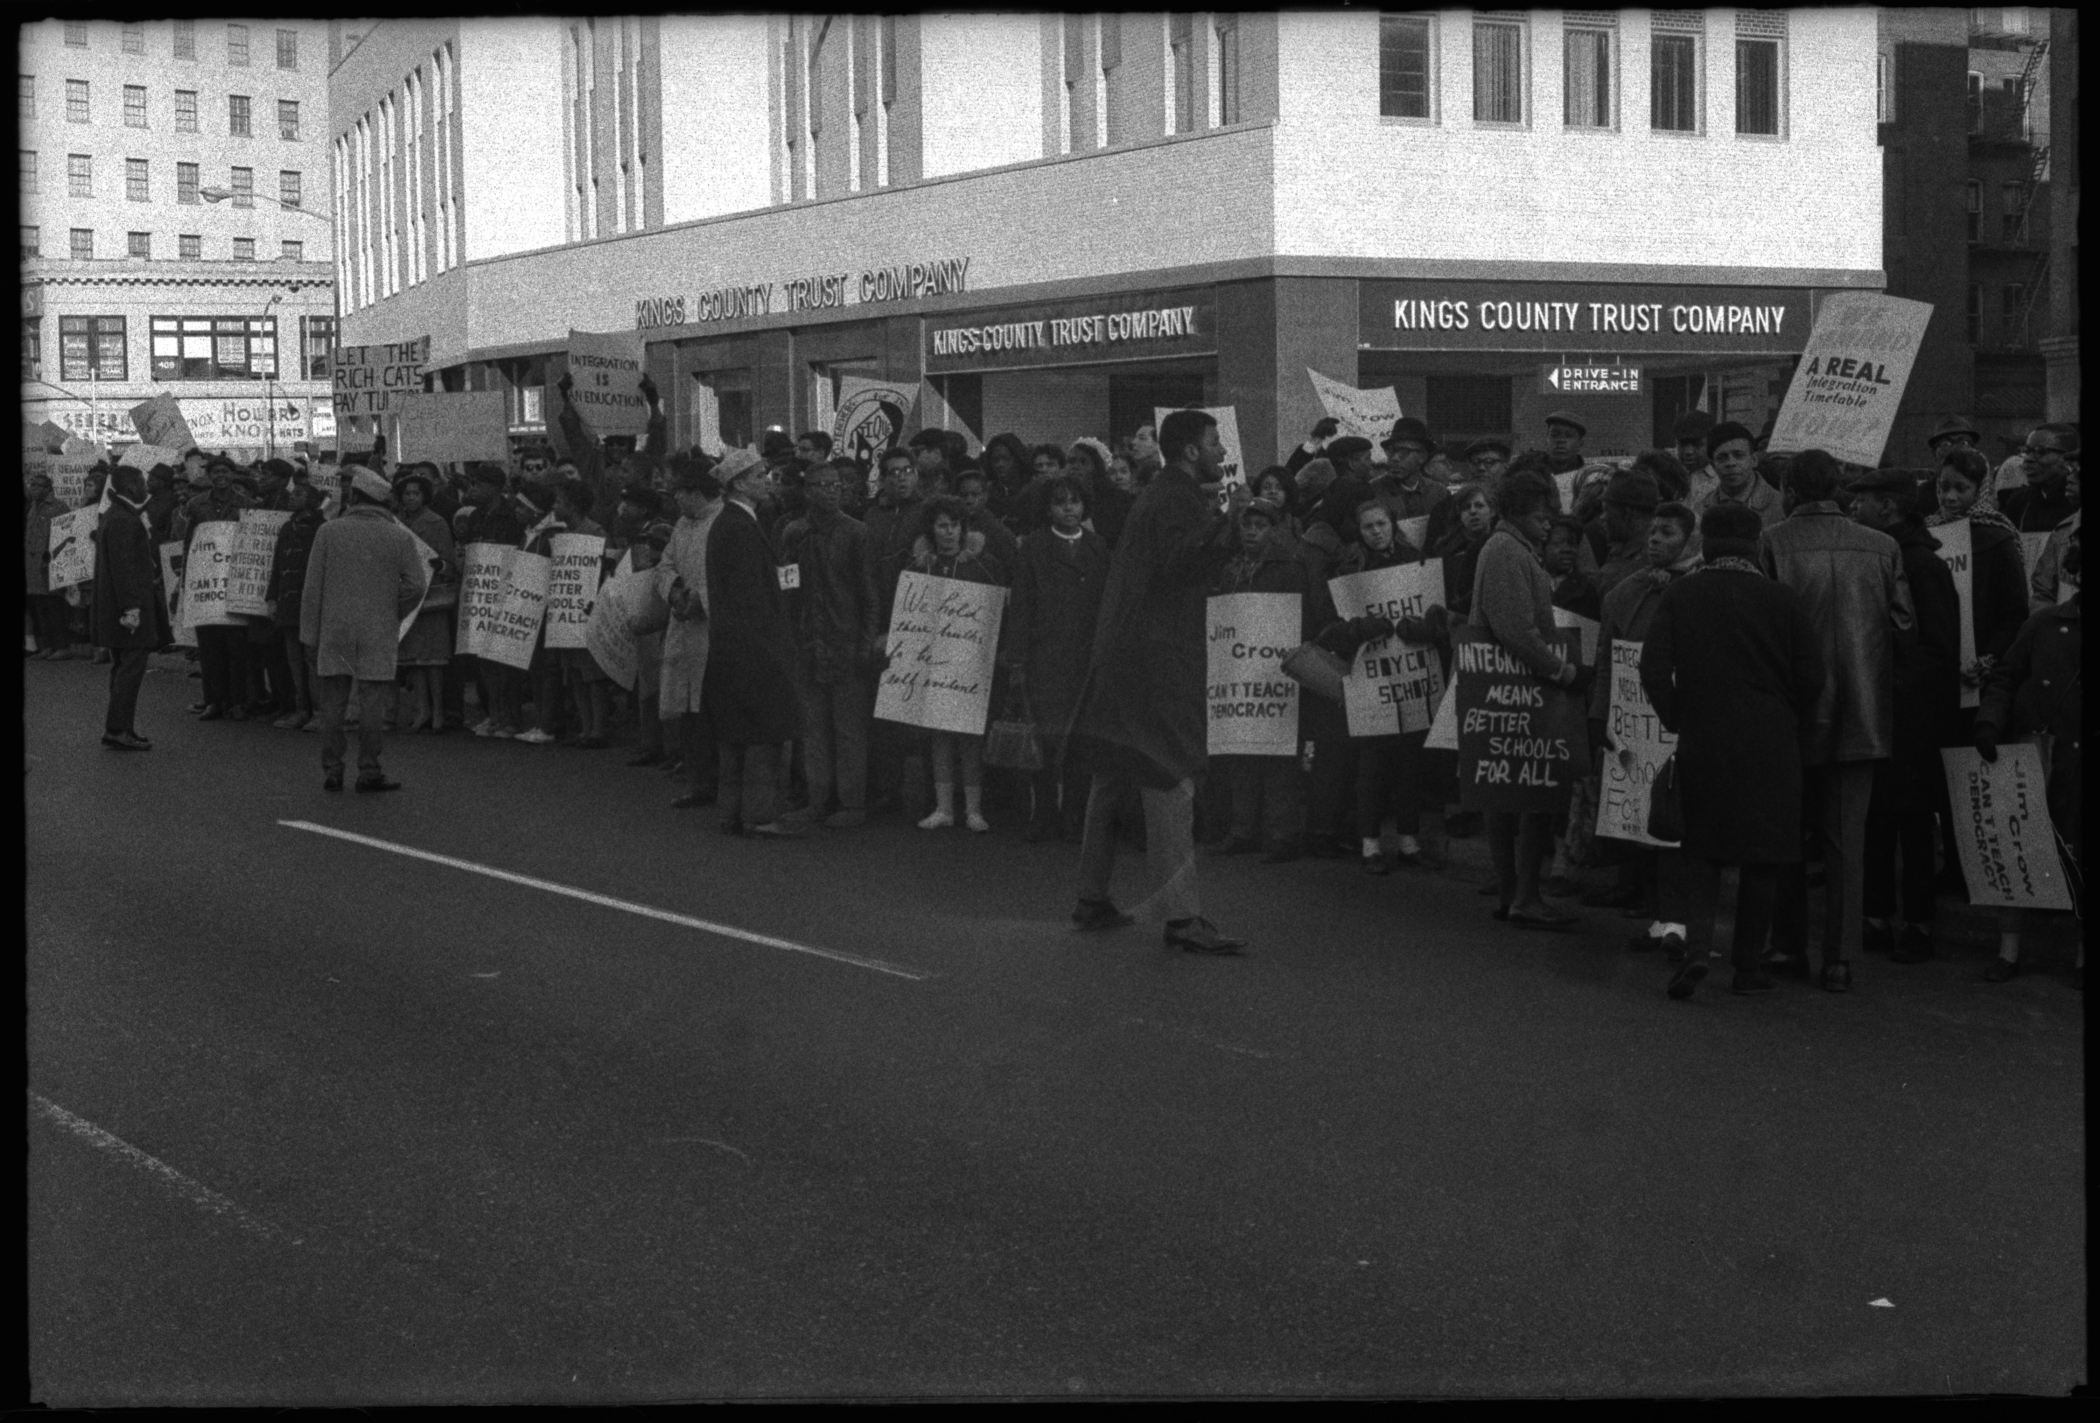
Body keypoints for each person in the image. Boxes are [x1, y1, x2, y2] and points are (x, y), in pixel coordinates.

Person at [1070, 408, 1250, 954]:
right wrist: (1230, 523)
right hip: (1154, 658)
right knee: (1170, 776)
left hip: (1122, 653)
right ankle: (1183, 917)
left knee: (1112, 776)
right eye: (1215, 443)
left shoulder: (1158, 493)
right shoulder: (1178, 497)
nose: (1223, 453)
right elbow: (1180, 564)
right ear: (1192, 451)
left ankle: (1092, 896)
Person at [1639, 504, 1825, 998]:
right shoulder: (1781, 599)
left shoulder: (1683, 594)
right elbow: (1813, 676)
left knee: (1702, 849)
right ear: (1755, 542)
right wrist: (1789, 716)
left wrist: (1679, 715)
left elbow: (1653, 668)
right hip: (1771, 741)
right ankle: (1747, 967)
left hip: (1704, 736)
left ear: (1708, 542)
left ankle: (1698, 949)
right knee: (1762, 856)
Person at [1759, 448, 1916, 993]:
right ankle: (1840, 959)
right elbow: (1902, 625)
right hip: (1864, 711)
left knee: (1786, 836)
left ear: (1790, 491)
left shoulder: (1774, 541)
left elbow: (1765, 630)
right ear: (1841, 490)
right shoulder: (1883, 546)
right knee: (1847, 842)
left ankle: (1787, 946)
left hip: (1792, 714)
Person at [1846, 467, 1963, 965]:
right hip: (1881, 709)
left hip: (1911, 718)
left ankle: (1917, 923)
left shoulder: (1920, 565)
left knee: (1913, 824)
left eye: (1862, 501)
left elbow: (1938, 648)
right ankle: (1875, 917)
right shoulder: (1881, 555)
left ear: (1889, 507)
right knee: (1874, 818)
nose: (1853, 509)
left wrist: (1891, 684)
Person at [1468, 468, 1585, 930]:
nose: (1548, 524)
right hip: (1523, 687)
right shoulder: (1508, 552)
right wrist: (1561, 668)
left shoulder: (1507, 548)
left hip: (1504, 687)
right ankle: (1525, 896)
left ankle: (1510, 891)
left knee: (1503, 792)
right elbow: (1516, 629)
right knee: (1533, 792)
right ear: (1519, 514)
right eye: (1540, 515)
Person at [1588, 501, 1702, 943]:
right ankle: (1661, 918)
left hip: (1682, 722)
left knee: (1678, 822)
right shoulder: (1625, 592)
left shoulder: (1704, 587)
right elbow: (1605, 659)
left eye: (1668, 533)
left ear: (1691, 539)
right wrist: (1600, 714)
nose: (1655, 539)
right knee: (1642, 820)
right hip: (1635, 723)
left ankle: (1680, 918)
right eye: (1652, 531)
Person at [1973, 530, 2082, 986]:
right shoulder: (2043, 624)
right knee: (2020, 846)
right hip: (2034, 751)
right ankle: (2009, 948)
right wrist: (1989, 723)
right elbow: (2007, 676)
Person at [300, 468, 427, 793]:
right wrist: (393, 609)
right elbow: (416, 585)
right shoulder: (399, 536)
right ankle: (369, 769)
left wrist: (309, 635)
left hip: (335, 627)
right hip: (378, 627)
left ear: (354, 497)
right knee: (372, 702)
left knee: (333, 702)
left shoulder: (329, 531)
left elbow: (312, 589)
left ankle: (332, 769)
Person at [1320, 499, 1430, 873]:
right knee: (1372, 765)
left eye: (1381, 524)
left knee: (1410, 765)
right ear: (1359, 531)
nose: (1377, 532)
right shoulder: (1349, 568)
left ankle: (1409, 842)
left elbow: (1435, 612)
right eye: (1368, 527)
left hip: (1410, 675)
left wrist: (1424, 628)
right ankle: (1370, 846)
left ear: (1392, 523)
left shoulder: (1415, 560)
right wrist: (1360, 629)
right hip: (1370, 679)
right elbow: (1329, 630)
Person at [703, 448, 806, 838]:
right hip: (753, 647)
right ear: (741, 482)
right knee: (765, 733)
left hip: (732, 646)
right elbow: (752, 596)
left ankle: (732, 811)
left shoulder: (730, 523)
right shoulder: (739, 527)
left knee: (735, 735)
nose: (768, 480)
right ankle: (762, 814)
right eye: (761, 474)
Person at [1004, 473, 1111, 843]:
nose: (1069, 508)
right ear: (1048, 508)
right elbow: (1021, 606)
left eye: (1075, 501)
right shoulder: (1033, 547)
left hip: (1087, 659)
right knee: (1047, 741)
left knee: (1081, 741)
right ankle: (1045, 811)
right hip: (1045, 656)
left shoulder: (1099, 547)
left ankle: (1075, 815)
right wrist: (1016, 661)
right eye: (1061, 502)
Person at [778, 459, 882, 827]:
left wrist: (867, 642)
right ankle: (818, 799)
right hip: (807, 643)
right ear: (807, 491)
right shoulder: (793, 532)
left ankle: (852, 804)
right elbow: (786, 588)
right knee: (814, 729)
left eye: (836, 485)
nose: (831, 491)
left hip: (846, 642)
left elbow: (870, 594)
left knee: (849, 729)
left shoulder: (857, 532)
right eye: (822, 485)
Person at [1207, 496, 1310, 860]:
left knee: (1279, 756)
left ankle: (1282, 835)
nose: (1251, 531)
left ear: (1274, 529)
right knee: (1241, 753)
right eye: (1246, 525)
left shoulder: (1289, 569)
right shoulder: (1230, 568)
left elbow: (1300, 618)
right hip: (1239, 675)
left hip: (1275, 675)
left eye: (1260, 525)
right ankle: (1242, 830)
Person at [903, 497, 1007, 832]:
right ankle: (944, 807)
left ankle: (974, 810)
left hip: (970, 662)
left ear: (964, 528)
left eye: (955, 525)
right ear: (931, 529)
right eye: (942, 525)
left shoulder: (984, 564)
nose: (949, 532)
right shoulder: (920, 567)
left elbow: (998, 611)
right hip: (932, 661)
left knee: (970, 735)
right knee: (939, 734)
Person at [1927, 448, 2031, 719]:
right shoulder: (1926, 534)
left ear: (1980, 489)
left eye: (1961, 488)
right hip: (1936, 675)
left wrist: (1988, 659)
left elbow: (2015, 613)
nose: (1949, 497)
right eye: (1943, 487)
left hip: (1983, 677)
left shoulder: (1999, 537)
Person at [88, 466, 170, 750]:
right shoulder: (125, 519)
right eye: (142, 481)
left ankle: (121, 726)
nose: (146, 486)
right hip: (126, 610)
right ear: (132, 486)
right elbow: (124, 570)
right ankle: (118, 728)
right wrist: (132, 608)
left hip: (117, 608)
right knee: (130, 670)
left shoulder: (118, 515)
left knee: (123, 668)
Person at [660, 455, 725, 809]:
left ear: (697, 491)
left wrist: (699, 601)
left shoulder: (723, 522)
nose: (675, 500)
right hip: (682, 621)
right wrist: (672, 590)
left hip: (710, 629)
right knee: (687, 711)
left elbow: (727, 576)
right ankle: (698, 781)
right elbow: (665, 564)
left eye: (679, 493)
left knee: (710, 709)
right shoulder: (682, 525)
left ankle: (718, 781)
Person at [180, 456, 257, 721]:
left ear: (232, 475)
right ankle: (213, 701)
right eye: (216, 472)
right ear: (209, 476)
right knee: (209, 647)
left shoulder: (248, 505)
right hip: (205, 585)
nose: (221, 475)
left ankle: (237, 702)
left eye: (225, 471)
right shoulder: (195, 505)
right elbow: (190, 543)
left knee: (237, 648)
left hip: (234, 583)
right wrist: (186, 581)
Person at [392, 468, 457, 734]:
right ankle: (423, 709)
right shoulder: (395, 523)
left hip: (432, 597)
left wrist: (438, 564)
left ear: (424, 496)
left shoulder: (437, 523)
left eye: (416, 493)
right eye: (406, 494)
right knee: (414, 661)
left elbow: (450, 562)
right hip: (408, 597)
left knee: (434, 660)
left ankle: (439, 711)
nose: (410, 498)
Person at [266, 478, 329, 731]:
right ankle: (301, 709)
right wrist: (271, 597)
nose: (293, 497)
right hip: (288, 602)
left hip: (311, 601)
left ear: (311, 500)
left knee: (312, 658)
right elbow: (278, 565)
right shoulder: (287, 527)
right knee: (294, 658)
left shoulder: (322, 528)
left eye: (300, 493)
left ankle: (320, 711)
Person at [1586, 467, 1663, 603]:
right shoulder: (1624, 549)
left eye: (1606, 511)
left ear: (1628, 513)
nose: (1602, 518)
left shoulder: (1647, 560)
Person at [1688, 421, 1785, 528]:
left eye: (1739, 455)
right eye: (1722, 458)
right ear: (1713, 466)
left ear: (1754, 460)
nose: (1731, 463)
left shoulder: (1780, 506)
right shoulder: (1700, 510)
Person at [1997, 423, 2078, 537]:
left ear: (2066, 458)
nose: (2028, 459)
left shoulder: (2076, 501)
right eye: (2027, 451)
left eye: (2041, 451)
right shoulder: (2019, 502)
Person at [24, 473, 72, 660]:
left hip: (50, 562)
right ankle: (48, 645)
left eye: (37, 486)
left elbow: (65, 535)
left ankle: (62, 646)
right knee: (39, 605)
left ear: (47, 489)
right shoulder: (33, 508)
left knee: (54, 605)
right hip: (33, 564)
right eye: (32, 485)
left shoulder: (58, 507)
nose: (33, 489)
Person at [1370, 417, 1448, 529]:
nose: (1395, 458)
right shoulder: (1373, 491)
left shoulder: (1438, 492)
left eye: (1404, 452)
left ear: (1422, 457)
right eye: (1391, 451)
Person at [1673, 410, 1717, 506]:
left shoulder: (1721, 478)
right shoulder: (1668, 478)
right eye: (1682, 444)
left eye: (1697, 444)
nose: (1688, 451)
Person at [1541, 412, 1588, 477]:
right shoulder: (1529, 476)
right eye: (1554, 435)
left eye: (1569, 435)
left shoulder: (1589, 479)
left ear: (1581, 443)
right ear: (1546, 441)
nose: (1561, 440)